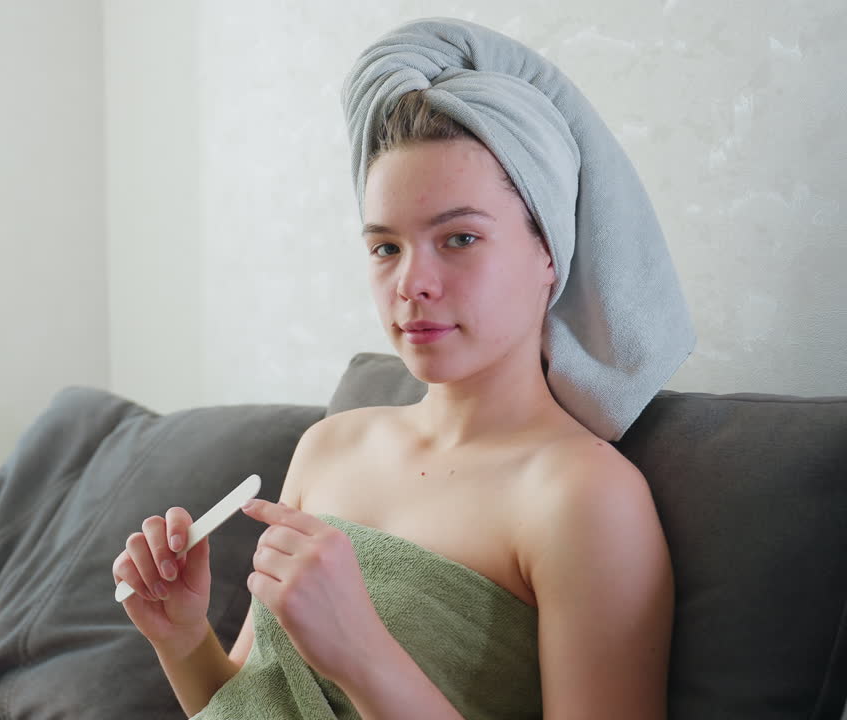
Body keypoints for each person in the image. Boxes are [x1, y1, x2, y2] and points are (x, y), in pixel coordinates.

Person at [113, 18, 687, 720]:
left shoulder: (584, 499)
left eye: (460, 238)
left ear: (549, 253)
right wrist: (180, 639)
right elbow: (256, 701)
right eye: (385, 248)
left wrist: (363, 654)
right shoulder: (331, 446)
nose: (412, 283)